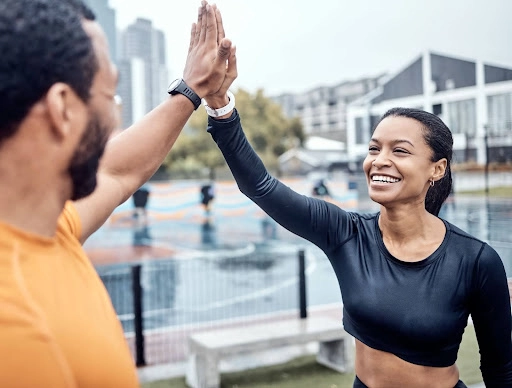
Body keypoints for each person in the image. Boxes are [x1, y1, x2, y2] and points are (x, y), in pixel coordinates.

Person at [202, 51, 512, 387]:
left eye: (400, 150)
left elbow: (500, 369)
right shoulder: (345, 233)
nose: (380, 160)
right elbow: (260, 185)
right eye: (374, 148)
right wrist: (220, 106)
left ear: (436, 168)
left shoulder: (476, 260)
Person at [0, 0, 233, 386]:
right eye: (112, 96)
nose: (115, 117)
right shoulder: (19, 334)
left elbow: (118, 169)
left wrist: (192, 90)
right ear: (63, 109)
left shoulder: (46, 227)